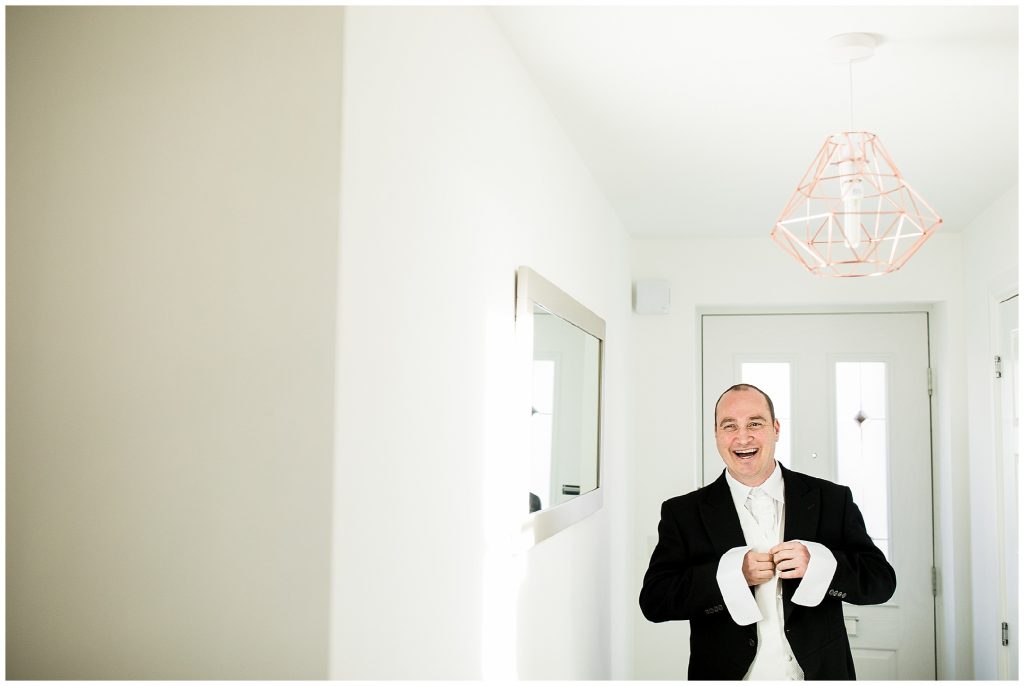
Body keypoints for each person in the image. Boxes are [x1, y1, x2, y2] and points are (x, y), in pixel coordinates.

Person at [639, 383, 896, 680]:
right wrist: (731, 576)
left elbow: (881, 583)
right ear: (716, 434)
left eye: (755, 423)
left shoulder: (831, 499)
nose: (742, 436)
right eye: (729, 425)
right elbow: (655, 602)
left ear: (775, 428)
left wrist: (820, 565)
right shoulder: (682, 513)